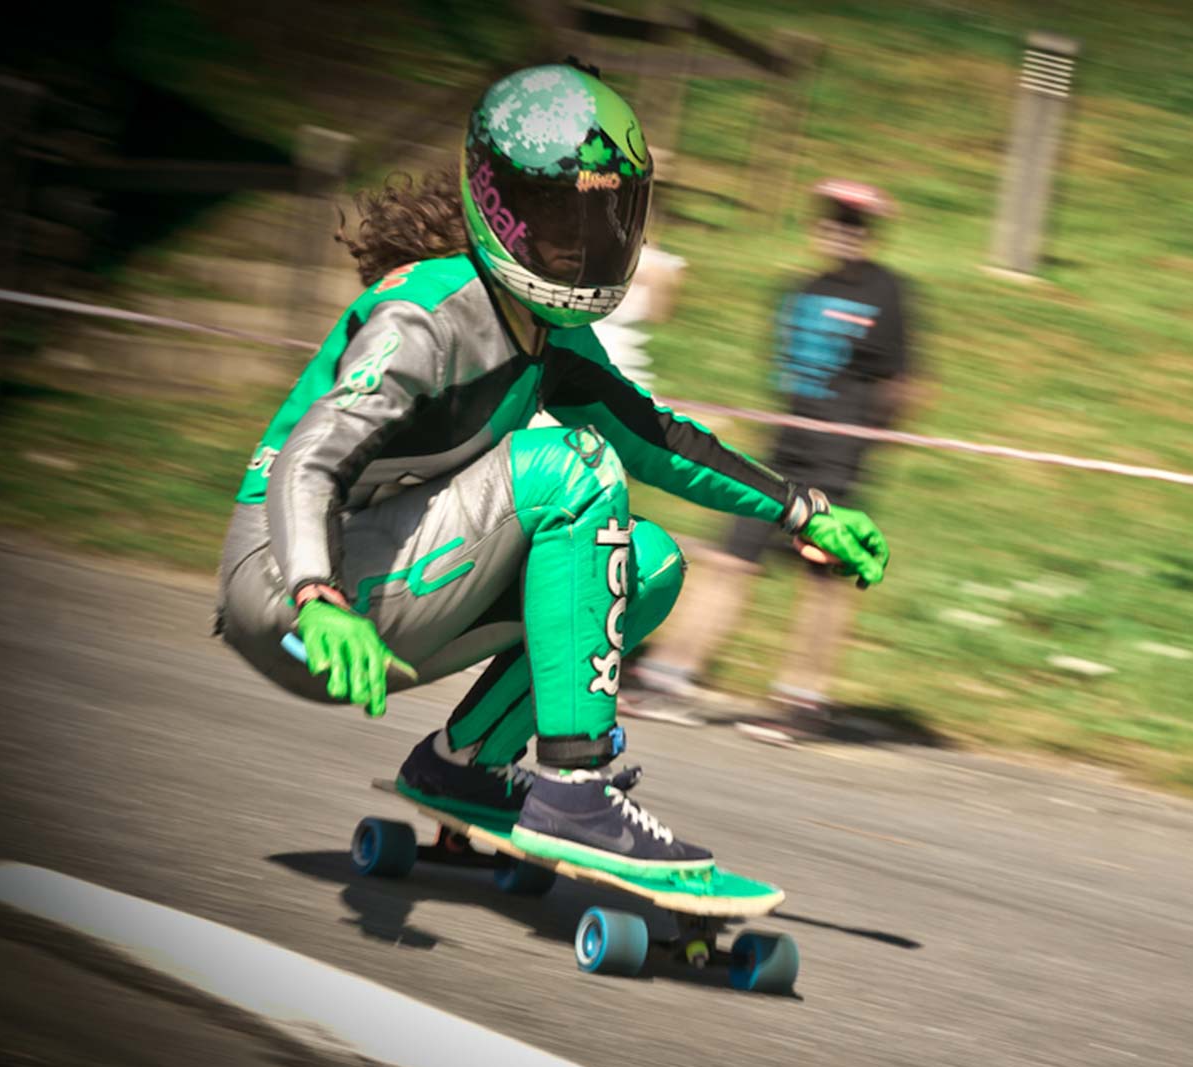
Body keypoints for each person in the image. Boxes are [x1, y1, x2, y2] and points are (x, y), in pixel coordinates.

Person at [214, 60, 889, 876]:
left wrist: (803, 511)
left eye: (610, 216)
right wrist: (315, 595)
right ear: (496, 203)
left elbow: (657, 438)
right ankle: (575, 787)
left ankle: (465, 767)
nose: (589, 243)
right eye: (561, 217)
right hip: (288, 589)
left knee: (648, 565)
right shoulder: (424, 317)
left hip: (380, 576)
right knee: (571, 466)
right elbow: (305, 463)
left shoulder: (547, 330)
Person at [618, 179, 916, 744]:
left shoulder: (889, 291)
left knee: (822, 575)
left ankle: (805, 700)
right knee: (728, 557)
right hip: (785, 452)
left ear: (870, 232)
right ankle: (666, 677)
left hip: (839, 457)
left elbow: (903, 383)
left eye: (855, 222)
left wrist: (867, 449)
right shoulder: (798, 290)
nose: (842, 230)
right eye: (834, 219)